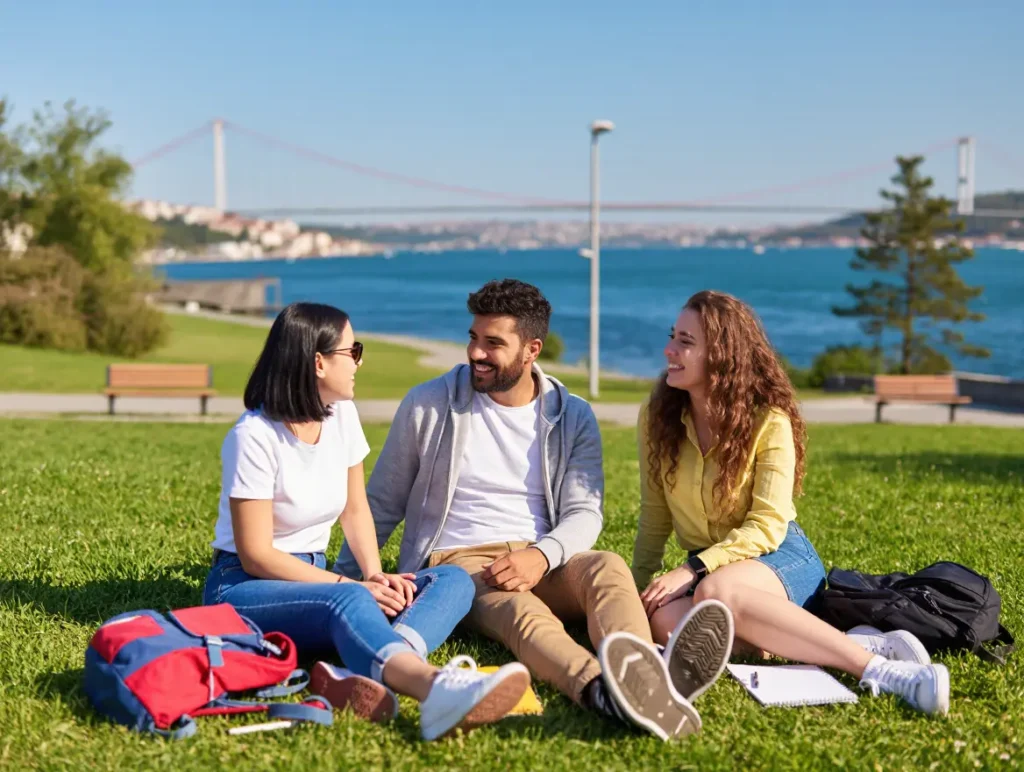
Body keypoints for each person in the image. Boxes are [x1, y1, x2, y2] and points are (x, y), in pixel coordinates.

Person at [333, 279, 734, 741]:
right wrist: (347, 587)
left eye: (493, 343)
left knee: (606, 565)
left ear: (532, 349)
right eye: (473, 338)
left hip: (543, 556)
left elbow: (585, 512)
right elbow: (380, 502)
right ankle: (601, 690)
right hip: (460, 567)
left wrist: (542, 556)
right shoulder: (428, 404)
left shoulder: (573, 414)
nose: (476, 353)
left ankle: (645, 677)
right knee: (525, 617)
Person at [202, 302, 530, 741]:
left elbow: (356, 508)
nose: (360, 360)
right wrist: (351, 587)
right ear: (318, 362)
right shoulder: (254, 437)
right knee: (350, 602)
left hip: (312, 579)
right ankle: (435, 689)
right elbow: (257, 554)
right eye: (351, 350)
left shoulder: (340, 416)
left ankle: (365, 669)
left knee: (452, 580)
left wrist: (376, 574)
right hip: (241, 587)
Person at [631, 290, 950, 716]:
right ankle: (847, 641)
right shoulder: (658, 416)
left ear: (723, 354)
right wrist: (636, 590)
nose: (669, 349)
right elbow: (655, 516)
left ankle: (885, 671)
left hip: (778, 557)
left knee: (715, 590)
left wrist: (691, 569)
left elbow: (765, 527)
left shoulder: (769, 421)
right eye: (673, 336)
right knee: (666, 622)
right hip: (710, 565)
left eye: (686, 342)